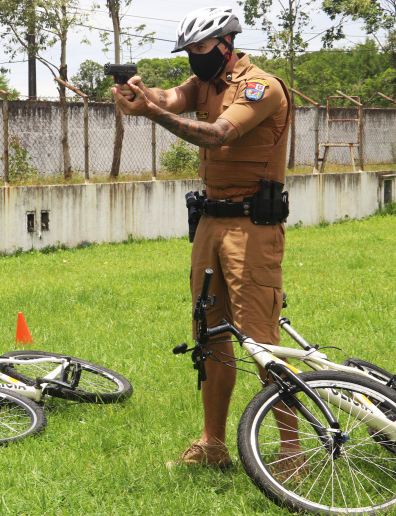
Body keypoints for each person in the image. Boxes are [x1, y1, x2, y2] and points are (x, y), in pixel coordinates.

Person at [113, 7, 301, 470]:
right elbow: (171, 96)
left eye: (200, 48)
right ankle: (212, 444)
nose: (194, 57)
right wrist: (139, 92)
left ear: (226, 43)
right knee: (209, 334)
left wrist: (151, 111)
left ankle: (294, 452)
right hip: (210, 223)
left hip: (252, 226)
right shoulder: (203, 84)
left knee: (261, 341)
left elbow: (217, 135)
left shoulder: (261, 88)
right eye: (189, 51)